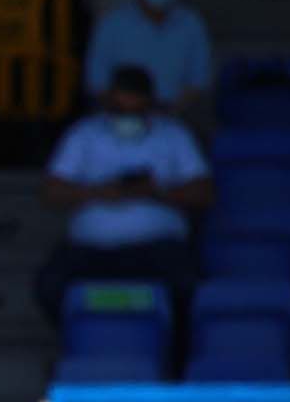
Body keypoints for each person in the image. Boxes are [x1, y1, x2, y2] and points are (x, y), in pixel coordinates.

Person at [35, 64, 212, 325]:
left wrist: (156, 193)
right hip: (90, 249)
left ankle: (170, 358)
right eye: (119, 109)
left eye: (136, 110)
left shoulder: (173, 135)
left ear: (150, 104)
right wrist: (97, 192)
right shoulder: (84, 134)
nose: (127, 117)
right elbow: (50, 191)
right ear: (107, 102)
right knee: (49, 287)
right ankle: (80, 348)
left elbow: (205, 193)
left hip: (157, 248)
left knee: (188, 288)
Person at [83, 0, 213, 116]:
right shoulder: (113, 24)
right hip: (120, 120)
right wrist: (128, 113)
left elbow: (199, 80)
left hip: (176, 119)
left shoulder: (191, 24)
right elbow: (97, 81)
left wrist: (169, 114)